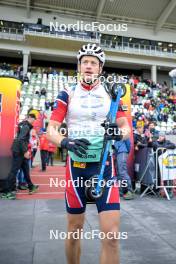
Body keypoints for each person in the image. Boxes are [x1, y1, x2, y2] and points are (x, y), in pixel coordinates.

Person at [47, 43, 131, 264]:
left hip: (104, 168)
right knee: (74, 231)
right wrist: (65, 141)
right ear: (79, 66)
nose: (89, 66)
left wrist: (117, 133)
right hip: (76, 169)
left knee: (112, 236)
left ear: (100, 69)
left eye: (94, 62)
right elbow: (51, 130)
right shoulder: (67, 92)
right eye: (85, 62)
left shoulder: (112, 94)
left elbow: (126, 128)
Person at [1, 114, 39, 200]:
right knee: (14, 171)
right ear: (29, 118)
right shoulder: (26, 126)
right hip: (19, 151)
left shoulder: (23, 124)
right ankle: (7, 192)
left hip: (19, 150)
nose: (34, 121)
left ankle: (31, 186)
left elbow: (20, 138)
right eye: (33, 119)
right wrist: (25, 151)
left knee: (26, 169)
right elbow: (21, 139)